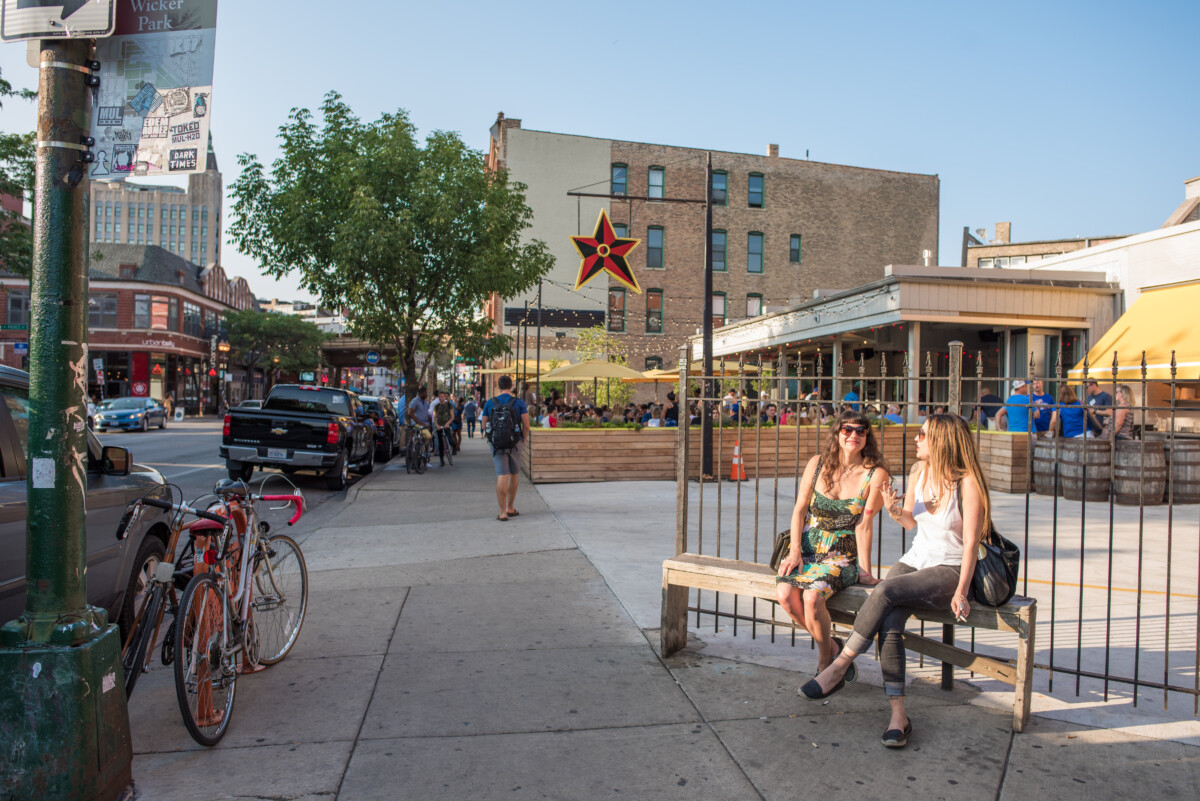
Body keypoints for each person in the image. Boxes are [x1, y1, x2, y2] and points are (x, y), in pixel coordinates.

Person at [803, 414, 989, 750]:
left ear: (942, 440)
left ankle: (840, 665)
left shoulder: (968, 483)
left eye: (923, 434)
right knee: (889, 623)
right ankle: (898, 717)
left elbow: (972, 544)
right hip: (916, 561)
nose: (916, 439)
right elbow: (911, 523)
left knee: (885, 589)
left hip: (949, 569)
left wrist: (962, 590)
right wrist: (893, 509)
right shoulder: (920, 473)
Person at [776, 411, 888, 685]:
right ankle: (834, 648)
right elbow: (800, 509)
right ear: (837, 433)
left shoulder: (875, 474)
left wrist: (865, 571)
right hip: (806, 549)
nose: (854, 435)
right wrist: (794, 550)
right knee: (785, 595)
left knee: (812, 598)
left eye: (861, 430)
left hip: (841, 556)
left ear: (867, 436)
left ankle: (825, 662)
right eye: (847, 429)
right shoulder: (817, 464)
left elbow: (864, 525)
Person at [481, 375, 529, 521]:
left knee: (502, 475)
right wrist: (523, 440)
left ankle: (502, 513)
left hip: (497, 444)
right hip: (515, 443)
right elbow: (526, 425)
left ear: (498, 386)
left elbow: (484, 425)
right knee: (513, 475)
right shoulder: (519, 402)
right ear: (511, 385)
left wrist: (491, 439)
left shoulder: (490, 402)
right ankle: (510, 507)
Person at [433, 390, 455, 465]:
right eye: (439, 397)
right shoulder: (437, 406)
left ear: (445, 397)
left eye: (442, 397)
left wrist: (447, 423)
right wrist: (437, 425)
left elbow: (452, 417)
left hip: (446, 425)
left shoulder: (449, 405)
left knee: (450, 439)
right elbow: (434, 418)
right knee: (440, 444)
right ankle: (441, 459)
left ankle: (454, 446)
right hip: (439, 426)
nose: (440, 398)